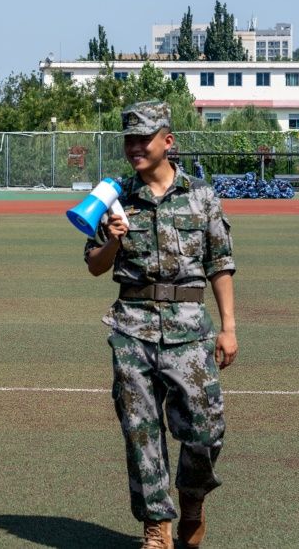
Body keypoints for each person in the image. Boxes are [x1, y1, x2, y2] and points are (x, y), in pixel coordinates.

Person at [84, 101, 238, 549]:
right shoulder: (114, 198)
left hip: (189, 329)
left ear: (167, 141)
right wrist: (113, 241)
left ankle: (192, 498)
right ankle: (157, 527)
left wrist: (228, 327)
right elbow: (94, 265)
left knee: (206, 430)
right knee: (140, 430)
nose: (134, 147)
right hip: (132, 327)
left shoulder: (201, 196)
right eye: (129, 140)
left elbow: (220, 263)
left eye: (143, 139)